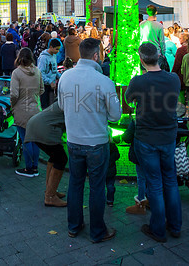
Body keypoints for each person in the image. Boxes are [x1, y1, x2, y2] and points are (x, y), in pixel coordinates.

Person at [58, 38, 121, 243]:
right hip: (96, 142)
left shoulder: (65, 77)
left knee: (75, 184)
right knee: (96, 187)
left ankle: (74, 226)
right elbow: (115, 116)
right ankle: (97, 231)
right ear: (96, 56)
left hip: (74, 140)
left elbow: (61, 106)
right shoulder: (104, 81)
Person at [125, 42, 183, 243]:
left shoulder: (138, 82)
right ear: (159, 56)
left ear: (141, 59)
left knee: (155, 184)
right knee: (171, 181)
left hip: (147, 138)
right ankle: (175, 226)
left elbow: (128, 99)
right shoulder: (173, 79)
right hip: (168, 137)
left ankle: (158, 229)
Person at [24, 102, 68, 207]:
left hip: (35, 125)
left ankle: (50, 190)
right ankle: (50, 196)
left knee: (55, 156)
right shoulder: (75, 101)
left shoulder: (67, 96)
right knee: (61, 159)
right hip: (44, 129)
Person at [11, 48, 45, 177]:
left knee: (25, 139)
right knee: (34, 139)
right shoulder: (37, 71)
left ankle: (29, 168)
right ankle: (35, 166)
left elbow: (14, 94)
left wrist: (13, 105)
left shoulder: (17, 73)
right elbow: (42, 90)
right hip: (36, 109)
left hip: (21, 109)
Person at [139, 5, 169, 71]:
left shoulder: (141, 24)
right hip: (156, 53)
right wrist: (163, 54)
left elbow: (139, 39)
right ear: (156, 12)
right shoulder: (159, 25)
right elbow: (162, 41)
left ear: (146, 12)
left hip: (144, 52)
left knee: (145, 73)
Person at [38, 38, 61, 109]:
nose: (58, 51)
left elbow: (54, 69)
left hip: (52, 85)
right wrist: (49, 81)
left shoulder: (54, 55)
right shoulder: (43, 58)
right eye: (56, 49)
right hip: (45, 86)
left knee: (51, 104)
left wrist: (60, 76)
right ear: (51, 47)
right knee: (45, 105)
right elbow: (40, 73)